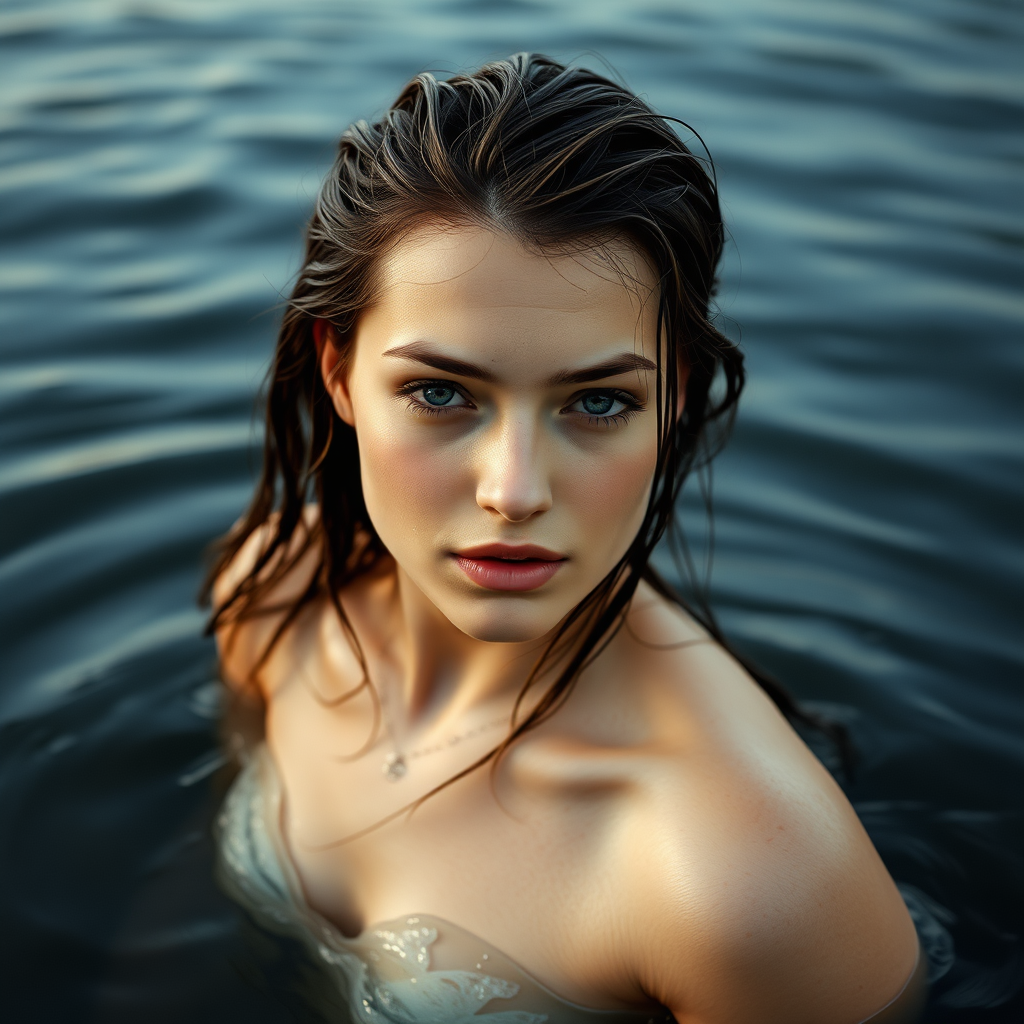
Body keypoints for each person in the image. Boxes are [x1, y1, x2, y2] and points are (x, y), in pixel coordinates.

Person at [204, 53, 926, 1024]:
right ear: (338, 371)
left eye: (596, 400)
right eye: (441, 392)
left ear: (670, 398)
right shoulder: (271, 599)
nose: (514, 491)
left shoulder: (745, 885)